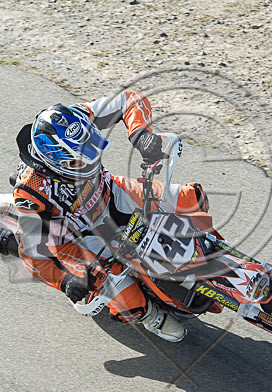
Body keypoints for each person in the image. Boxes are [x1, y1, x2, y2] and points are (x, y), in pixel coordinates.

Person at [11, 90, 210, 342]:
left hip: (112, 192)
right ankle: (150, 317)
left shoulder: (75, 119)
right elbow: (32, 255)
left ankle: (216, 249)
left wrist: (141, 134)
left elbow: (128, 98)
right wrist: (66, 281)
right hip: (79, 236)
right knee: (129, 302)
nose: (90, 160)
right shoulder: (30, 193)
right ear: (55, 161)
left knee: (193, 198)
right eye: (79, 161)